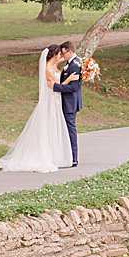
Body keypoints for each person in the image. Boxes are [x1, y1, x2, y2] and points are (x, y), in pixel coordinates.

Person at [0, 45, 75, 172]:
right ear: (55, 55)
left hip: (55, 101)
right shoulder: (47, 69)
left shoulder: (53, 65)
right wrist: (69, 79)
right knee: (48, 126)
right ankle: (46, 155)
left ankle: (54, 154)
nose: (60, 56)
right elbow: (55, 86)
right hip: (51, 100)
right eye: (59, 54)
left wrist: (69, 58)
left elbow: (60, 62)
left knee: (54, 125)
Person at [52, 40, 83, 168]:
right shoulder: (72, 63)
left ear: (70, 52)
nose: (62, 56)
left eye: (64, 53)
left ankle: (73, 158)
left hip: (70, 102)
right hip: (67, 101)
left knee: (70, 129)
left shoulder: (74, 65)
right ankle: (67, 155)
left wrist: (55, 87)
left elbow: (73, 88)